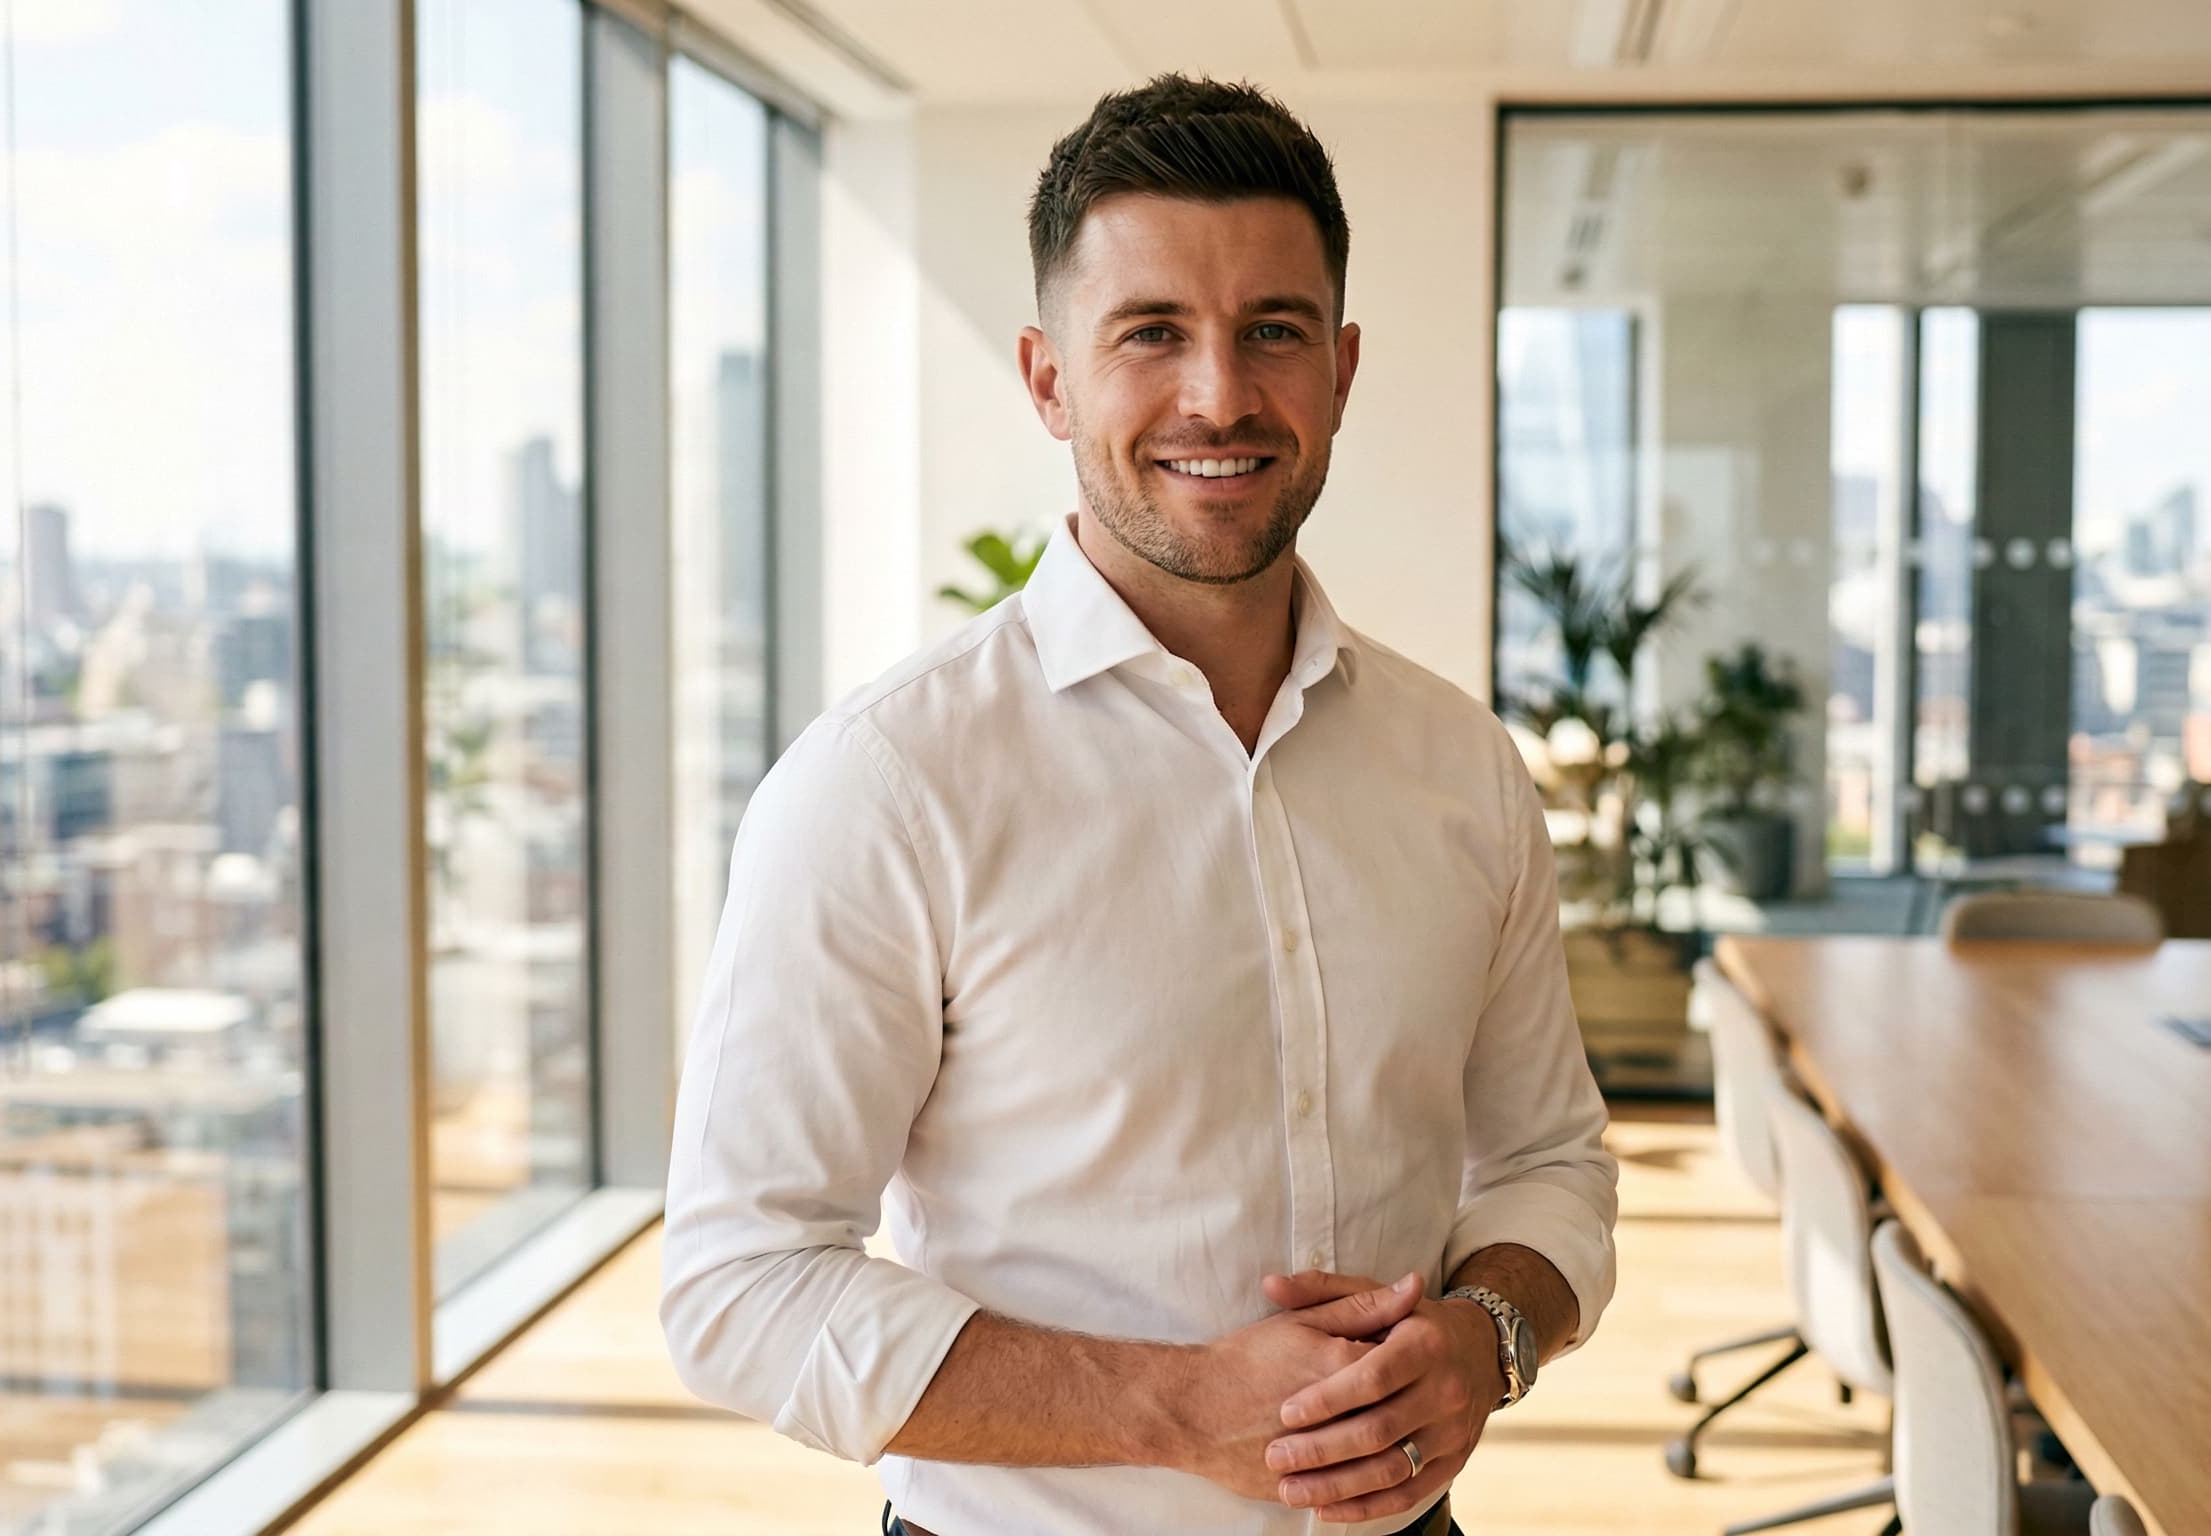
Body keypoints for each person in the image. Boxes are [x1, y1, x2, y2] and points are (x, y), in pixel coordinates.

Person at [661, 75, 1616, 1536]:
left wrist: (1488, 1339)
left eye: (1273, 331)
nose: (1219, 396)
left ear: (1343, 368)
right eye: (1151, 332)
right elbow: (739, 1286)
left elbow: (1550, 1163)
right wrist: (1172, 1407)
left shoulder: (1462, 768)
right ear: (1049, 379)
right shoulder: (888, 783)